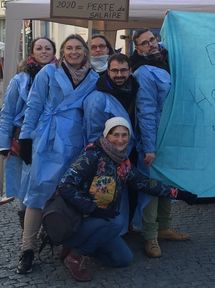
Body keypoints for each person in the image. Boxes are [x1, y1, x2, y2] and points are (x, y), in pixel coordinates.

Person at [58, 117, 200, 282]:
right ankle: (75, 256)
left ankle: (82, 246)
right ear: (107, 136)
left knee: (123, 259)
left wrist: (180, 194)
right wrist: (91, 208)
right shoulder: (92, 156)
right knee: (116, 222)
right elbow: (64, 186)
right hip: (80, 219)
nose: (120, 139)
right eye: (115, 135)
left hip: (102, 221)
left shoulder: (122, 163)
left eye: (124, 135)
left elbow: (145, 184)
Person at [16, 34, 98, 274]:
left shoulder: (93, 77)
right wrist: (25, 138)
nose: (74, 52)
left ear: (85, 52)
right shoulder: (48, 73)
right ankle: (27, 248)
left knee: (69, 192)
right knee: (38, 191)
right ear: (62, 51)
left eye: (78, 48)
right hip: (47, 138)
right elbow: (34, 105)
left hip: (75, 140)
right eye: (69, 48)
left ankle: (63, 240)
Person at [130, 29, 189, 258]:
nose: (150, 44)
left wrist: (172, 21)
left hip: (172, 134)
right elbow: (145, 111)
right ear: (138, 49)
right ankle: (150, 236)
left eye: (152, 39)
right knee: (152, 188)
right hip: (154, 137)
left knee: (166, 182)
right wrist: (149, 147)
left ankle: (164, 227)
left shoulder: (166, 59)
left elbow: (178, 38)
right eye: (144, 43)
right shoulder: (144, 72)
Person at [0, 38, 57, 224]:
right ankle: (27, 226)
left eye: (48, 48)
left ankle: (48, 223)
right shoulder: (20, 80)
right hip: (25, 137)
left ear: (54, 52)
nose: (44, 51)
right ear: (32, 52)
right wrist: (3, 143)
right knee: (26, 181)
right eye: (39, 48)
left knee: (49, 179)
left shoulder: (61, 75)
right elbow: (7, 112)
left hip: (52, 136)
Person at [83, 53, 139, 229]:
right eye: (115, 70)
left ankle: (123, 229)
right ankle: (106, 233)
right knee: (106, 197)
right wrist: (103, 159)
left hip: (130, 151)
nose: (119, 74)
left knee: (129, 193)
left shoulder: (136, 89)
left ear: (130, 71)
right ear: (108, 71)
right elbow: (94, 133)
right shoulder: (97, 97)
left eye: (123, 70)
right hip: (108, 158)